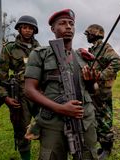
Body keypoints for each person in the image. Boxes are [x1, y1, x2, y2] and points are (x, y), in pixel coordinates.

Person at [24, 9, 98, 159]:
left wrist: (91, 83)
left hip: (84, 119)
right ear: (53, 29)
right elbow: (29, 89)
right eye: (63, 23)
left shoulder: (83, 57)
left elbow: (93, 91)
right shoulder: (40, 54)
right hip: (53, 121)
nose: (68, 27)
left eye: (71, 24)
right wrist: (61, 108)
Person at [0, 15, 40, 160]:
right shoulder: (9, 48)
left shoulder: (40, 48)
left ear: (34, 30)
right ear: (19, 29)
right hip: (20, 94)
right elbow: (1, 75)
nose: (27, 31)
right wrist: (5, 97)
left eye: (30, 28)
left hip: (39, 93)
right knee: (21, 129)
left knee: (46, 124)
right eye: (24, 27)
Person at [84, 24, 120, 159]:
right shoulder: (93, 50)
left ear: (96, 33)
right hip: (92, 91)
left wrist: (100, 75)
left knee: (105, 120)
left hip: (102, 92)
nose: (87, 36)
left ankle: (107, 149)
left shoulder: (104, 47)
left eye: (88, 33)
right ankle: (98, 145)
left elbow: (118, 62)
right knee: (94, 119)